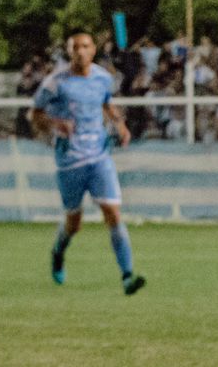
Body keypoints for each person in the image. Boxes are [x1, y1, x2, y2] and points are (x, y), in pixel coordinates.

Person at [30, 31, 146, 296]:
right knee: (74, 223)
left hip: (99, 157)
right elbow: (34, 114)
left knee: (113, 212)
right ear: (69, 52)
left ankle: (128, 276)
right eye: (76, 48)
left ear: (93, 50)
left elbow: (106, 103)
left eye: (85, 46)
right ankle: (58, 252)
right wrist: (54, 124)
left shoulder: (103, 78)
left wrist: (120, 124)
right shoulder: (55, 82)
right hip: (70, 161)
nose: (81, 52)